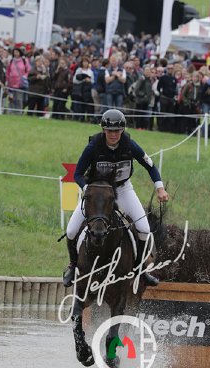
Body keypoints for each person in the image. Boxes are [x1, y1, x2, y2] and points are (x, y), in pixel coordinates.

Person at [62, 109, 169, 288]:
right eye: (109, 130)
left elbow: (150, 166)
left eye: (117, 131)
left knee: (144, 229)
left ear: (122, 130)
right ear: (103, 130)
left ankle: (141, 270)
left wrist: (160, 188)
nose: (113, 135)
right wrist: (88, 190)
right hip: (97, 191)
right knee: (72, 230)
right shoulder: (93, 146)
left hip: (122, 189)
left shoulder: (130, 145)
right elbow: (78, 174)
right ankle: (73, 267)